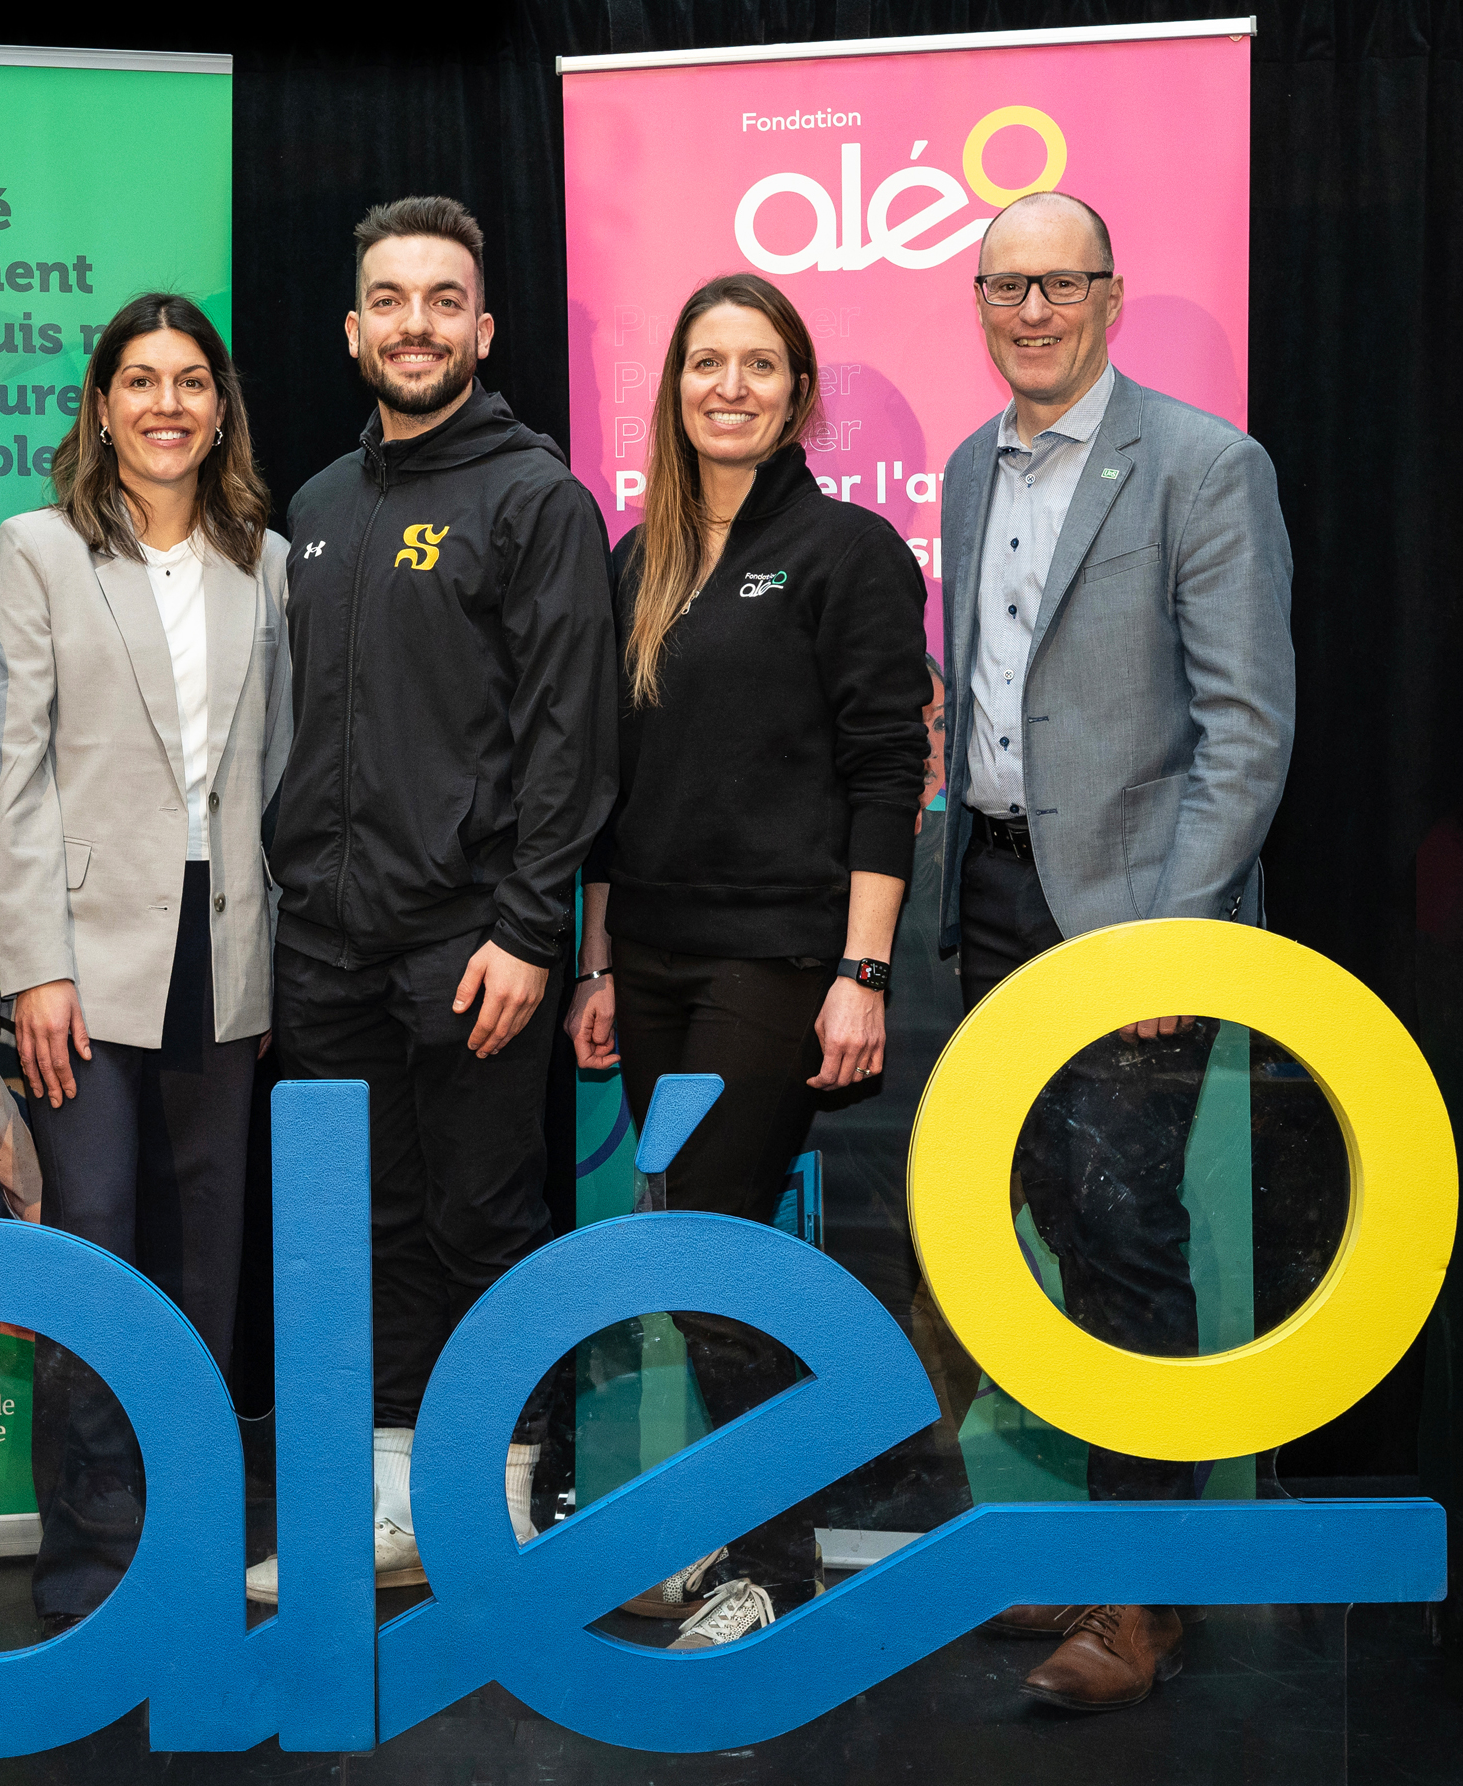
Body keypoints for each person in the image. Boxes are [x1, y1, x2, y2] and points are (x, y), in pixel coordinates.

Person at [937, 191, 1295, 1711]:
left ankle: (1146, 1594)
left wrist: (1170, 934)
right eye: (1005, 286)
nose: (1031, 310)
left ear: (1109, 293)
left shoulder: (1208, 465)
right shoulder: (965, 467)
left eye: (1057, 284)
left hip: (1140, 917)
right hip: (1000, 900)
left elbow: (1249, 728)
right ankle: (1097, 1549)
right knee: (1046, 1230)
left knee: (1134, 1237)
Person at [245, 196, 617, 1603]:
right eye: (388, 301)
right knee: (366, 1234)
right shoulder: (322, 508)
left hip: (474, 946)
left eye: (441, 299)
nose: (414, 323)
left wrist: (531, 928)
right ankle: (399, 1511)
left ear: (483, 326)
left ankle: (504, 1503)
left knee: (485, 1227)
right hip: (328, 951)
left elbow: (571, 738)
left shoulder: (538, 498)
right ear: (353, 332)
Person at [564, 273, 930, 1649]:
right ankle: (740, 1519)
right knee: (688, 1248)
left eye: (759, 364)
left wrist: (866, 970)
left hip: (780, 960)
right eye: (707, 362)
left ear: (798, 392)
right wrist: (599, 962)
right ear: (675, 387)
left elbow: (888, 767)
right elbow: (618, 780)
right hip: (652, 956)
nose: (731, 385)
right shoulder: (637, 555)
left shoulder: (846, 552)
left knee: (718, 1243)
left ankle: (775, 1559)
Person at [0, 293, 290, 1632]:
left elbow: (279, 774)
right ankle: (91, 1556)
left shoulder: (270, 563)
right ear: (100, 403)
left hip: (226, 956)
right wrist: (32, 968)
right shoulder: (40, 551)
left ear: (219, 408)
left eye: (192, 382)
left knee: (208, 1256)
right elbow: (18, 775)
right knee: (98, 1245)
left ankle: (187, 1536)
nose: (168, 404)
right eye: (140, 381)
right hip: (86, 964)